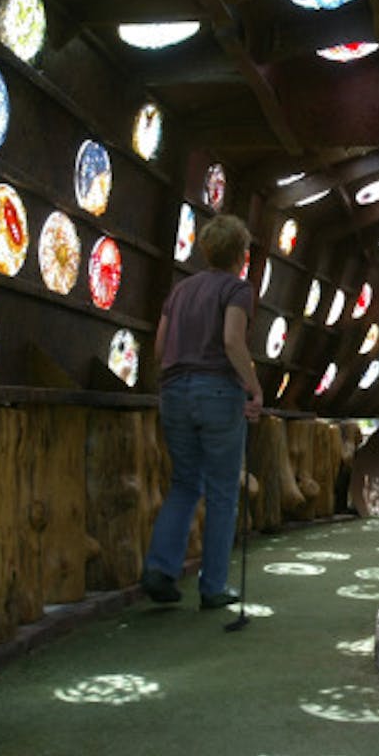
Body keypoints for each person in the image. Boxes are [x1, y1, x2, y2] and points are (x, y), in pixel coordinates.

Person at [141, 214, 265, 610]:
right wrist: (254, 387)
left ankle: (160, 568)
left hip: (174, 390)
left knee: (184, 483)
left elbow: (160, 347)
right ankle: (212, 587)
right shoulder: (237, 289)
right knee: (222, 491)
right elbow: (232, 339)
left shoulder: (180, 291)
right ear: (241, 256)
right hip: (217, 391)